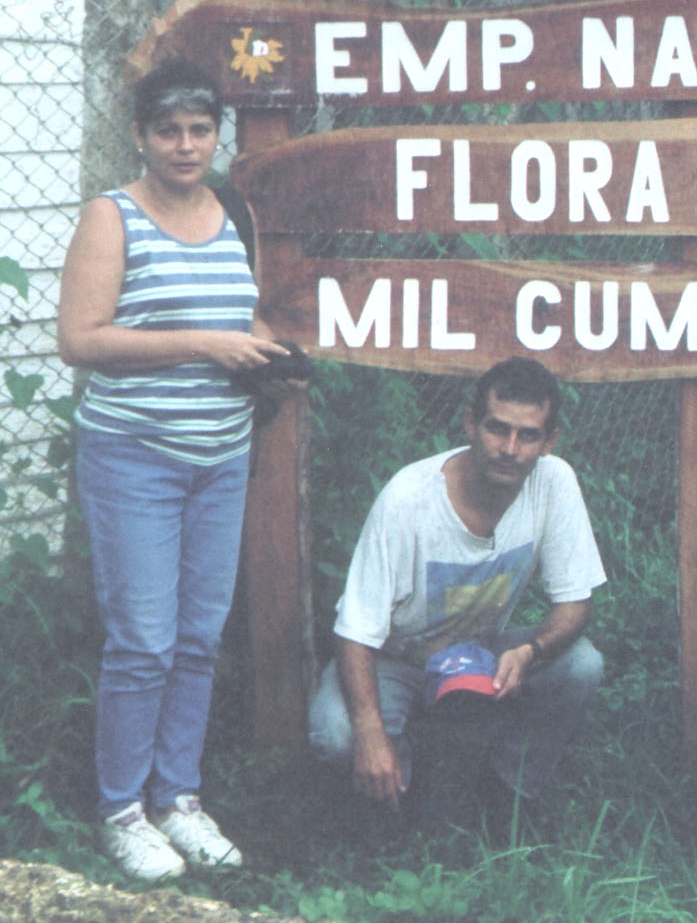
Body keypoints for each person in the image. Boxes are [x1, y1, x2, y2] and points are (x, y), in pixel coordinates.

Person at [58, 58, 298, 880]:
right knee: (143, 643)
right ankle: (121, 810)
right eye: (169, 130)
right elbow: (81, 340)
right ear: (141, 135)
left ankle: (178, 800)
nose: (187, 145)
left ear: (217, 133)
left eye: (201, 129)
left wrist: (268, 354)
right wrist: (203, 345)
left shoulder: (233, 209)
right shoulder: (112, 216)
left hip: (222, 456)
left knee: (198, 638)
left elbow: (244, 311)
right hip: (135, 458)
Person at [307, 357, 606, 817]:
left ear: (550, 442)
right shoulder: (408, 498)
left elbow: (574, 604)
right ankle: (394, 800)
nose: (509, 448)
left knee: (581, 664)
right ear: (470, 422)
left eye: (528, 435)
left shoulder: (554, 482)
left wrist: (531, 652)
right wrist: (370, 733)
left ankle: (509, 791)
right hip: (395, 656)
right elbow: (354, 630)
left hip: (483, 653)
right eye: (497, 428)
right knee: (337, 735)